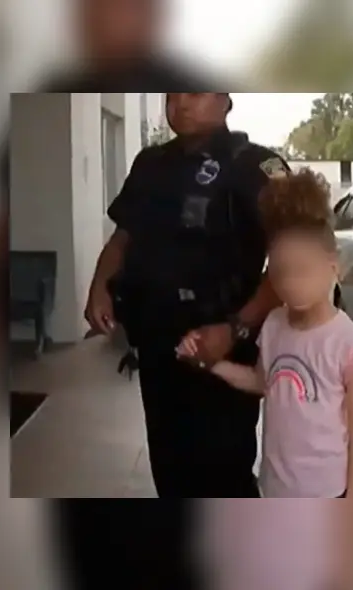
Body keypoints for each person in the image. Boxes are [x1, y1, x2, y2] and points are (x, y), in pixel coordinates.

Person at [84, 92, 289, 499]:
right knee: (170, 469)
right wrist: (99, 288)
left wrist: (234, 329)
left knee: (222, 475)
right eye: (171, 94)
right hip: (159, 347)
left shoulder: (256, 167)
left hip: (224, 350)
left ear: (226, 100)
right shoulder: (150, 165)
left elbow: (292, 262)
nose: (180, 103)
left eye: (193, 93)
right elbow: (124, 237)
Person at [176, 168, 353, 499]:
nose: (291, 284)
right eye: (281, 273)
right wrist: (208, 363)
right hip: (276, 487)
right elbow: (262, 381)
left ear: (332, 266)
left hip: (327, 492)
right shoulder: (272, 325)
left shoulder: (350, 345)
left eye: (302, 270)